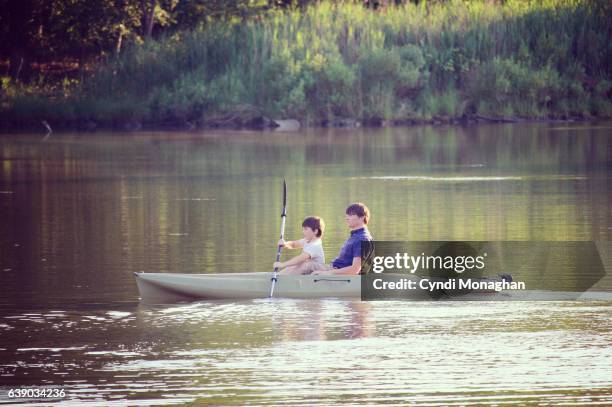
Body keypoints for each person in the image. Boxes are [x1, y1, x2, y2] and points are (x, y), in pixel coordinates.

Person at [312, 202, 373, 275]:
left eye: (351, 215)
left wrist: (327, 273)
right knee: (306, 263)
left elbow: (355, 270)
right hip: (335, 269)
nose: (347, 218)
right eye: (347, 215)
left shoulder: (362, 238)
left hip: (343, 277)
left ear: (362, 217)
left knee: (308, 266)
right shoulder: (356, 236)